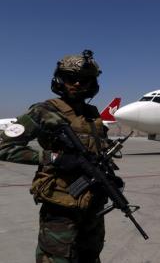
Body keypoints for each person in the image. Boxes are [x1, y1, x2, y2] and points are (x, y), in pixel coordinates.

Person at [0, 50, 110, 262]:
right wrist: (52, 158)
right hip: (61, 205)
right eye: (71, 78)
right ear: (60, 79)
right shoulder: (43, 111)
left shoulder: (92, 115)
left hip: (93, 204)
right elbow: (4, 146)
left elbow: (96, 153)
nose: (77, 84)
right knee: (57, 257)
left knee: (91, 255)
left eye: (84, 79)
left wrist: (109, 177)